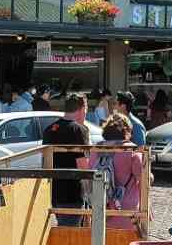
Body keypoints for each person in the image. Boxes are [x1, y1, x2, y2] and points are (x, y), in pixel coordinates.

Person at [89, 112, 142, 229]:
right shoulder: (131, 150)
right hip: (126, 210)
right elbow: (143, 179)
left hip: (101, 207)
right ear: (127, 131)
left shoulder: (95, 149)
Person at [43, 95, 89, 227]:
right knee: (71, 237)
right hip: (73, 193)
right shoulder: (80, 130)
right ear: (82, 108)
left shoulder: (49, 130)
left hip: (54, 193)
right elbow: (83, 166)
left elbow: (45, 164)